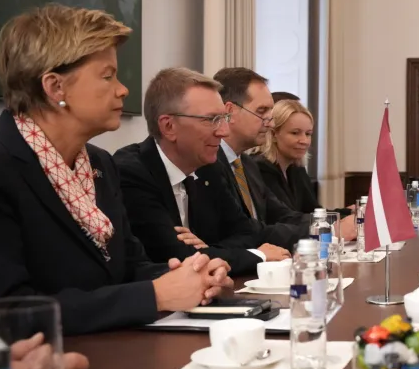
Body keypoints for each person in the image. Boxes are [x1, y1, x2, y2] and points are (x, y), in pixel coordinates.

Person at [0, 5, 231, 335]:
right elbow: (6, 313)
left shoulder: (100, 163)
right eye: (107, 76)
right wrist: (156, 294)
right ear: (55, 87)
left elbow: (129, 267)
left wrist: (192, 275)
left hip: (118, 353)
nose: (123, 89)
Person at [113, 68, 291, 275]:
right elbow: (175, 258)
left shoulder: (209, 167)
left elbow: (247, 232)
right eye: (211, 120)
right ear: (169, 126)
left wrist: (207, 249)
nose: (223, 131)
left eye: (223, 118)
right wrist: (257, 256)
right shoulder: (131, 172)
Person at [211, 67, 355, 242]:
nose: (270, 123)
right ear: (230, 111)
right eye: (261, 111)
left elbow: (284, 216)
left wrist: (336, 222)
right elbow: (244, 230)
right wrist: (327, 231)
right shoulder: (209, 164)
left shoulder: (246, 165)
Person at [255, 100, 353, 217]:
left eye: (308, 134)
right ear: (273, 134)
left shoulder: (296, 168)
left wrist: (349, 212)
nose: (304, 141)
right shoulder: (260, 168)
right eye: (295, 133)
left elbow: (313, 212)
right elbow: (286, 218)